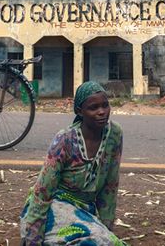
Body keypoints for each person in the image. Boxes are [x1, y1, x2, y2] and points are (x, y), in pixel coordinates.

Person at [20, 81, 124, 245]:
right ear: (79, 111)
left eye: (105, 105)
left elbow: (110, 186)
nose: (102, 112)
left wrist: (107, 229)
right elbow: (43, 192)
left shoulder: (114, 134)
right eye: (93, 107)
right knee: (93, 240)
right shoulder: (65, 139)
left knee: (107, 241)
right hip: (54, 206)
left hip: (84, 210)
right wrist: (33, 239)